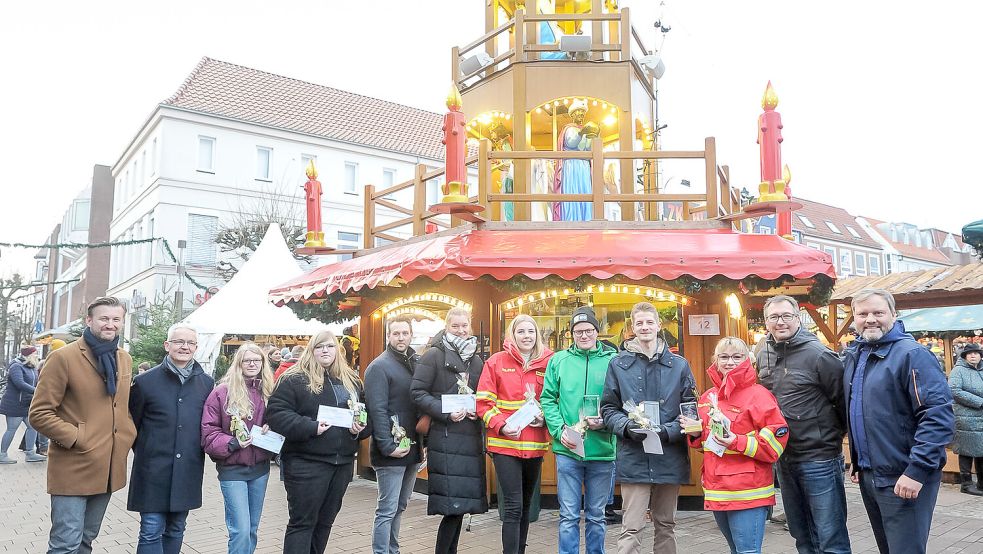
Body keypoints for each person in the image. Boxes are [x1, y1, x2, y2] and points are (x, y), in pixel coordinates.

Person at [843, 289, 954, 553]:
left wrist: (917, 470)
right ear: (854, 319)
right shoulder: (856, 355)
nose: (870, 319)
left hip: (905, 476)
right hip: (872, 475)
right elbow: (860, 410)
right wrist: (859, 460)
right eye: (863, 314)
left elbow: (937, 416)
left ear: (894, 314)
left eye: (878, 312)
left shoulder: (912, 355)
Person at [29, 296, 137, 554]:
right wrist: (79, 437)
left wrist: (127, 434)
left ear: (122, 322)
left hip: (109, 467)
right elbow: (40, 413)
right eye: (103, 318)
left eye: (115, 319)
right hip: (74, 465)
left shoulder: (124, 359)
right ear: (89, 320)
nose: (110, 324)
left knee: (86, 541)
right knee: (65, 544)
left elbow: (120, 405)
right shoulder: (63, 358)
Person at [755, 294, 851, 553]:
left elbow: (843, 404)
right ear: (766, 321)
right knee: (801, 533)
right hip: (783, 456)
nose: (780, 322)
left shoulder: (819, 354)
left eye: (787, 316)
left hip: (818, 457)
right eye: (774, 317)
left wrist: (827, 437)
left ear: (798, 318)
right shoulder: (761, 351)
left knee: (830, 535)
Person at [601, 302, 697, 554]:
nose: (644, 327)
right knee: (631, 527)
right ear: (632, 327)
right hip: (634, 455)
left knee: (666, 524)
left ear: (658, 325)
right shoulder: (618, 365)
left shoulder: (679, 365)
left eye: (649, 322)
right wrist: (627, 427)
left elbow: (690, 410)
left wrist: (669, 431)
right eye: (639, 323)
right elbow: (608, 409)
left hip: (669, 454)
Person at [679, 336, 789, 554]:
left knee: (747, 551)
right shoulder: (709, 397)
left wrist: (736, 441)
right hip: (717, 488)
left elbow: (776, 442)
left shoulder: (760, 396)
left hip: (748, 491)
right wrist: (694, 431)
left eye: (736, 357)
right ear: (715, 361)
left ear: (747, 360)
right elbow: (703, 445)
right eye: (724, 357)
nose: (730, 362)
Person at [266, 330, 369, 553]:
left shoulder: (351, 380)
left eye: (330, 346)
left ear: (338, 351)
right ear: (311, 350)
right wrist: (311, 426)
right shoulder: (294, 378)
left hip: (341, 464)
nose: (325, 350)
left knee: (325, 523)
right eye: (319, 346)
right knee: (302, 524)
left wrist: (360, 428)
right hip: (306, 463)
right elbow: (276, 414)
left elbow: (365, 414)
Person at [128, 325, 214, 554]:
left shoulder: (206, 383)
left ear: (196, 347)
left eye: (190, 343)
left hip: (188, 468)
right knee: (151, 528)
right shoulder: (145, 381)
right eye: (179, 342)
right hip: (153, 468)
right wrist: (149, 450)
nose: (184, 347)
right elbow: (132, 426)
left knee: (176, 528)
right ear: (167, 345)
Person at [540, 306, 618, 554]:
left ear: (597, 332)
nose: (584, 335)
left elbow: (621, 400)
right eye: (578, 331)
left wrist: (606, 421)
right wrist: (558, 429)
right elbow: (548, 399)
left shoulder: (613, 361)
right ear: (571, 334)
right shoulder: (558, 361)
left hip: (602, 449)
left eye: (588, 330)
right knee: (568, 515)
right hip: (568, 448)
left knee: (597, 516)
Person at [411, 307, 488, 553]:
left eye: (465, 326)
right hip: (445, 438)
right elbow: (417, 393)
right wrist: (444, 412)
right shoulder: (433, 355)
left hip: (470, 437)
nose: (461, 330)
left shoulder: (476, 359)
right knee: (452, 507)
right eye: (455, 326)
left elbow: (483, 396)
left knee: (461, 507)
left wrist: (479, 409)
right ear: (447, 327)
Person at [476, 314, 554, 554]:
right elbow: (483, 403)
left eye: (531, 331)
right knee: (512, 507)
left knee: (527, 506)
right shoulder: (496, 362)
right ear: (512, 335)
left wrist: (545, 418)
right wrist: (501, 425)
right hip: (504, 444)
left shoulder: (550, 362)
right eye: (521, 332)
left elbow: (554, 401)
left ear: (537, 335)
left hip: (534, 445)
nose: (526, 336)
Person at [201, 342, 276, 553]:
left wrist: (274, 426)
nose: (252, 364)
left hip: (260, 469)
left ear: (263, 362)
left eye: (257, 360)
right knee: (240, 530)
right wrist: (232, 443)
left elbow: (283, 421)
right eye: (247, 360)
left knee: (252, 529)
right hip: (232, 469)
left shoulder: (269, 391)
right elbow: (208, 433)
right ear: (239, 363)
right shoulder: (222, 392)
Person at [364, 314, 423, 554]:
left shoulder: (415, 363)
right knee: (387, 509)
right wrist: (387, 446)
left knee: (400, 505)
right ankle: (381, 551)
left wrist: (422, 444)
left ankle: (393, 549)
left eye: (405, 333)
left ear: (411, 335)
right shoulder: (379, 366)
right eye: (396, 333)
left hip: (411, 447)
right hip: (390, 449)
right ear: (388, 335)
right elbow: (376, 410)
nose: (401, 337)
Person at [551, 98, 598, 221]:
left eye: (583, 113)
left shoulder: (583, 129)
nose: (581, 115)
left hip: (583, 166)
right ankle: (571, 219)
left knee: (585, 191)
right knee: (572, 191)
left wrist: (592, 136)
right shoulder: (569, 129)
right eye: (578, 112)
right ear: (573, 114)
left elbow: (587, 148)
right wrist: (582, 133)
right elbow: (571, 142)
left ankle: (586, 219)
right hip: (571, 165)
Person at [0, 346, 46, 463]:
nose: (37, 356)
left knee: (33, 427)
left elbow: (36, 381)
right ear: (29, 355)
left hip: (26, 403)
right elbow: (19, 383)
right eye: (35, 354)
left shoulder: (31, 367)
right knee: (12, 429)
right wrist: (37, 391)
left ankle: (30, 453)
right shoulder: (16, 366)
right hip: (14, 404)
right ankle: (2, 454)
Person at [948, 342, 983, 495]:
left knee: (981, 450)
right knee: (966, 450)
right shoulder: (958, 371)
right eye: (970, 353)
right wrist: (980, 402)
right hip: (965, 417)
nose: (973, 355)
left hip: (980, 417)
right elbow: (954, 390)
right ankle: (966, 484)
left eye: (976, 353)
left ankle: (981, 483)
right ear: (965, 356)